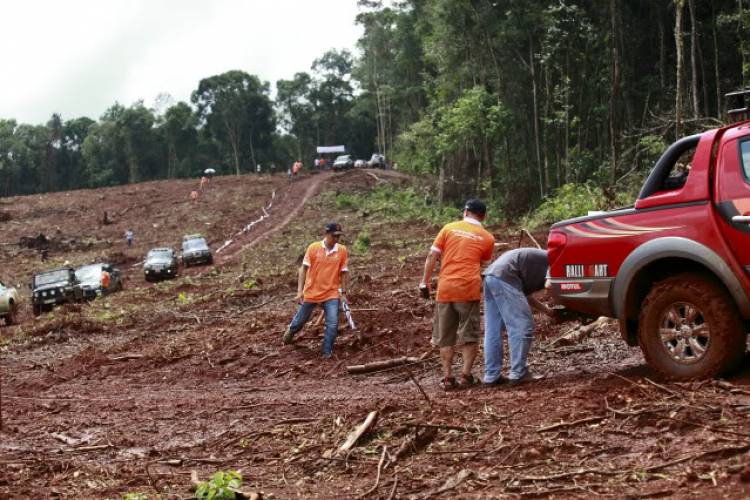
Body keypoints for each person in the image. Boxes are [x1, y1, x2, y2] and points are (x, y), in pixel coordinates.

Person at [421, 199, 495, 390]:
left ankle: (447, 378)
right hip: (468, 289)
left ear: (465, 212)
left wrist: (425, 281)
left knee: (445, 336)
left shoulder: (448, 228)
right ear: (484, 217)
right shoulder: (488, 238)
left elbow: (432, 256)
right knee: (469, 334)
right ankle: (466, 376)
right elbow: (482, 262)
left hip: (446, 288)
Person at [482, 248, 559, 387]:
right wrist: (565, 301)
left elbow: (522, 295)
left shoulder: (536, 261)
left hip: (491, 276)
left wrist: (547, 311)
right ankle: (519, 373)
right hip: (506, 276)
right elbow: (549, 285)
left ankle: (491, 375)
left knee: (493, 329)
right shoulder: (557, 259)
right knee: (523, 325)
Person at [282, 222, 349, 358]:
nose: (336, 239)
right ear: (326, 233)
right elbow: (304, 269)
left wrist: (343, 292)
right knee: (301, 319)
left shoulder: (342, 251)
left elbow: (344, 272)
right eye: (334, 236)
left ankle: (326, 351)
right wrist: (300, 291)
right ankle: (291, 330)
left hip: (331, 293)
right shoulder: (313, 248)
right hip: (312, 291)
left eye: (338, 237)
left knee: (333, 323)